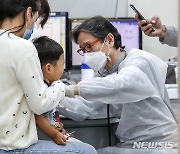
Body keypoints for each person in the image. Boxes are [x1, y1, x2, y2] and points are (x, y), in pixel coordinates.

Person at [64, 16, 178, 154]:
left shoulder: (139, 61)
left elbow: (122, 84)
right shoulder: (105, 72)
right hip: (132, 144)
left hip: (159, 144)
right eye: (82, 50)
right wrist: (55, 98)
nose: (86, 54)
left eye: (89, 46)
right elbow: (91, 107)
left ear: (110, 40)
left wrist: (72, 89)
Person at [0, 0, 96, 153]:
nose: (33, 26)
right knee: (87, 150)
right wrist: (59, 85)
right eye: (35, 19)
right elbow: (40, 104)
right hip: (10, 148)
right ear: (28, 13)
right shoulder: (22, 47)